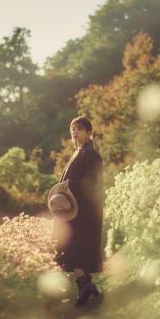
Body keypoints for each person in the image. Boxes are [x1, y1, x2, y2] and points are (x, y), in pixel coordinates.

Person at [55, 116, 104, 306]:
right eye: (72, 129)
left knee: (73, 248)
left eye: (79, 129)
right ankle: (87, 286)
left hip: (85, 211)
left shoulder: (90, 154)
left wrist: (71, 184)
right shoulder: (77, 152)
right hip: (75, 209)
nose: (75, 132)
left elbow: (92, 182)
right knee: (74, 248)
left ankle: (84, 286)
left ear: (88, 132)